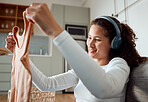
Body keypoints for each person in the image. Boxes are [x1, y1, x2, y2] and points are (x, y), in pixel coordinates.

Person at [5, 3, 146, 102]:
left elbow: (104, 89)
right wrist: (22, 55)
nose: (90, 43)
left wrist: (55, 31)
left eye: (97, 39)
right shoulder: (87, 67)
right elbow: (46, 85)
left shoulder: (118, 64)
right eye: (89, 37)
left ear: (114, 43)